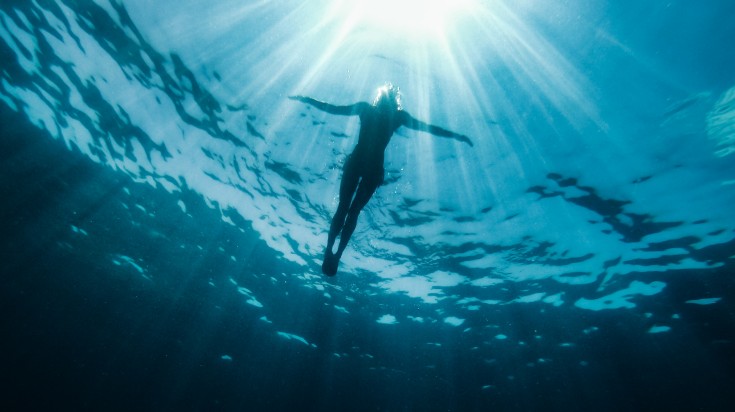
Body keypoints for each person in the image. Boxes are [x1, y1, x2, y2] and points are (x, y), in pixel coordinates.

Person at [289, 84, 472, 276]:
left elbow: (429, 128)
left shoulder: (381, 112)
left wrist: (457, 136)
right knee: (349, 210)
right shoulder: (388, 114)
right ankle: (332, 252)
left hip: (364, 165)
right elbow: (332, 108)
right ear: (393, 100)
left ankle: (334, 252)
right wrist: (306, 99)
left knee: (349, 210)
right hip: (369, 167)